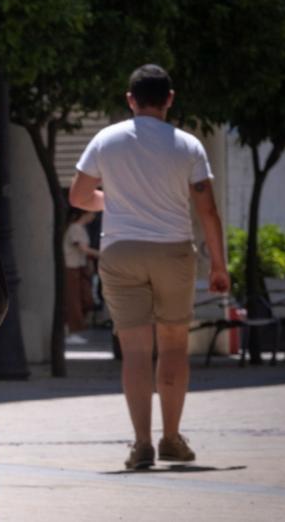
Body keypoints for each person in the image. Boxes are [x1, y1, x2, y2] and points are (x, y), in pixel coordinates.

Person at [69, 64, 230, 470]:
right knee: (174, 345)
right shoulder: (188, 146)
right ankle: (171, 438)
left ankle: (141, 444)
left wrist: (113, 201)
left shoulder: (107, 139)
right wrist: (219, 265)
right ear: (170, 99)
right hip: (173, 251)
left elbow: (79, 196)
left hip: (121, 253)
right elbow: (207, 210)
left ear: (130, 100)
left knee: (136, 351)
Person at [63, 208, 100, 335]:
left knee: (85, 298)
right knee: (74, 299)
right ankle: (75, 328)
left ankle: (78, 327)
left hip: (79, 267)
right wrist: (101, 255)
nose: (94, 214)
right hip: (72, 267)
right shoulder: (75, 228)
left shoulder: (80, 228)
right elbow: (83, 249)